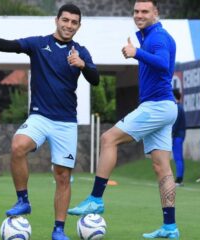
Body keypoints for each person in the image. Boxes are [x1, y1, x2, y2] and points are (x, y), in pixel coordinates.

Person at [0, 4, 99, 240]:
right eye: (65, 20)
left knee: (62, 176)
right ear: (56, 20)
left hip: (66, 122)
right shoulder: (38, 44)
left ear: (79, 26)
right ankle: (23, 200)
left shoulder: (81, 52)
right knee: (18, 146)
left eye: (74, 22)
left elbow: (95, 80)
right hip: (39, 116)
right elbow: (10, 45)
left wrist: (84, 65)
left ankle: (58, 230)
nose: (68, 25)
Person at [68, 0, 180, 238]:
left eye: (145, 11)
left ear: (155, 13)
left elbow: (163, 64)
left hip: (157, 106)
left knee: (109, 138)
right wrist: (138, 50)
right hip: (165, 106)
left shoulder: (157, 37)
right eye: (136, 11)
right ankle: (170, 226)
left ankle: (96, 199)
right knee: (162, 167)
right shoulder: (152, 36)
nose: (139, 15)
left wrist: (136, 53)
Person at [172, 89, 186, 186]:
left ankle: (179, 179)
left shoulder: (177, 107)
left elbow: (175, 124)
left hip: (177, 136)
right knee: (178, 157)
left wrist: (171, 134)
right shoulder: (179, 107)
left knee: (178, 158)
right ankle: (179, 178)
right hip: (179, 135)